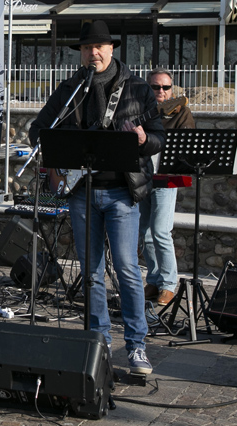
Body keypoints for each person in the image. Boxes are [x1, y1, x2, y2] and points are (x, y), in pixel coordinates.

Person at [27, 20, 165, 375]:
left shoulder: (136, 89)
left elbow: (158, 138)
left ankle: (136, 346)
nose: (94, 53)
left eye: (100, 47)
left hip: (122, 192)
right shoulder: (71, 89)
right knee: (89, 273)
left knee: (128, 270)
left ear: (112, 49)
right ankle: (97, 341)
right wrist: (57, 149)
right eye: (88, 48)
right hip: (81, 193)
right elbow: (38, 130)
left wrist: (141, 139)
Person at [140, 68, 195, 307]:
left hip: (166, 177)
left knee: (161, 231)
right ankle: (154, 279)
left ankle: (169, 284)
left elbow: (187, 144)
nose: (161, 92)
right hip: (141, 176)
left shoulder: (181, 112)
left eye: (166, 87)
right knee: (145, 233)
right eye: (155, 87)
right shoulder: (141, 110)